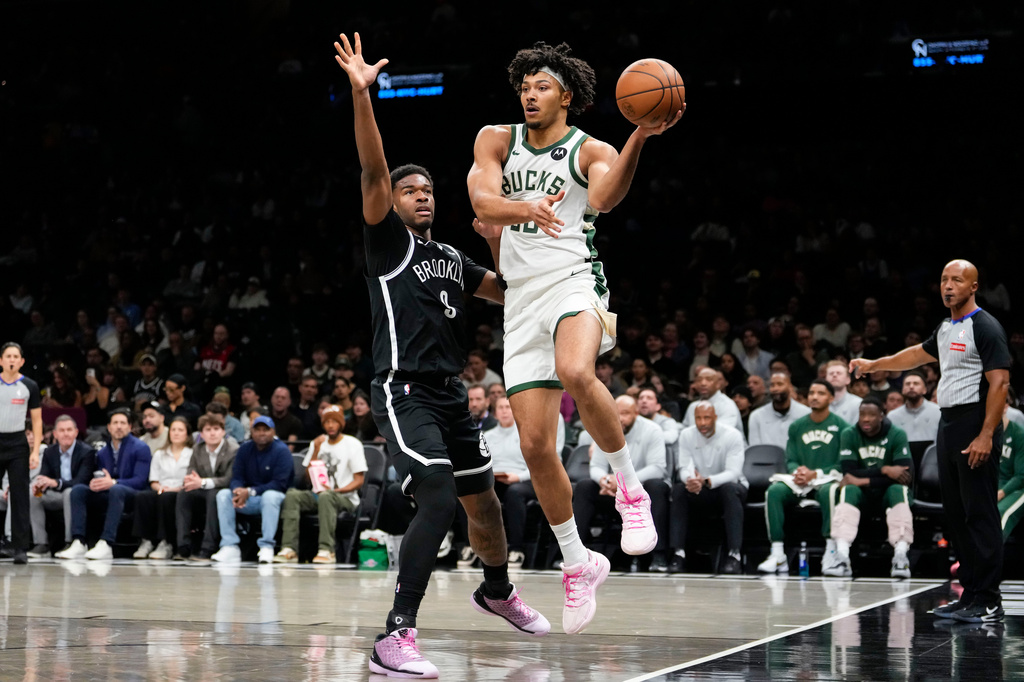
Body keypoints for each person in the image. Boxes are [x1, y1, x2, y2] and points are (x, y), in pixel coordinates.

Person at [334, 33, 548, 678]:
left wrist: (523, 245)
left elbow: (510, 292)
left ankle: (496, 590)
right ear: (393, 204)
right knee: (435, 495)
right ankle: (396, 634)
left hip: (453, 394)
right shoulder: (388, 246)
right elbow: (374, 169)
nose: (422, 193)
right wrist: (362, 95)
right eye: (411, 190)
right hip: (404, 392)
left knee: (483, 502)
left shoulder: (451, 258)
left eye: (428, 188)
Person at [466, 39, 681, 634]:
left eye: (540, 86)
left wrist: (640, 134)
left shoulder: (591, 147)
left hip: (572, 281)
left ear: (565, 94)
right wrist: (522, 207)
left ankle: (631, 491)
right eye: (523, 87)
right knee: (536, 448)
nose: (529, 95)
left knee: (578, 372)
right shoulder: (495, 138)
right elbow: (482, 197)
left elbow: (606, 198)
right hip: (520, 299)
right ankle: (578, 561)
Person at [850, 260, 1010, 622]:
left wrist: (986, 434)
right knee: (956, 515)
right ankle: (969, 594)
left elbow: (1000, 383)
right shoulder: (944, 327)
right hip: (949, 422)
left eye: (957, 280)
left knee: (980, 514)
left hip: (975, 422)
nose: (948, 286)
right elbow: (914, 356)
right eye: (943, 279)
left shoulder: (985, 326)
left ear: (973, 286)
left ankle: (989, 599)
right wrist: (875, 365)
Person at [758, 379, 849, 574]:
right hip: (801, 480)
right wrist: (797, 471)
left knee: (830, 491)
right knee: (774, 491)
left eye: (821, 393)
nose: (814, 397)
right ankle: (778, 554)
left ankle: (831, 551)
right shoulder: (797, 426)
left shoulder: (842, 426)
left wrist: (815, 473)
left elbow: (842, 463)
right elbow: (790, 458)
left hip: (826, 478)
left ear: (831, 398)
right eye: (811, 393)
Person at [573, 396, 670, 571]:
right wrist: (604, 480)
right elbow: (596, 466)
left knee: (657, 486)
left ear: (636, 413)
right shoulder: (605, 427)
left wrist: (623, 483)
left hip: (640, 494)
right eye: (616, 413)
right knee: (585, 486)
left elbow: (657, 468)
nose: (620, 418)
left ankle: (659, 556)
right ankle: (575, 554)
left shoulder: (652, 430)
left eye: (625, 413)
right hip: (612, 492)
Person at [821, 397, 914, 579]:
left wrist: (863, 480)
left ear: (881, 416)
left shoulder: (897, 434)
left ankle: (901, 557)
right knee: (848, 489)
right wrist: (885, 470)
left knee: (899, 490)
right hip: (861, 496)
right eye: (862, 414)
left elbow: (904, 477)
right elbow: (849, 473)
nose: (865, 419)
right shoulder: (849, 434)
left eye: (871, 415)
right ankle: (841, 557)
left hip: (887, 493)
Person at [275, 405, 367, 564]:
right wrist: (316, 449)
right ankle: (289, 549)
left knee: (327, 496)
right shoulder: (316, 443)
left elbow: (359, 480)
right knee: (292, 495)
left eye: (334, 422)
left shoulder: (353, 444)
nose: (330, 425)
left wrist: (337, 490)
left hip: (345, 497)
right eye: (327, 422)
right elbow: (307, 478)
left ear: (341, 424)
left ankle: (327, 550)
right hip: (318, 495)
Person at [57, 407, 152, 560]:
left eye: (123, 423)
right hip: (110, 493)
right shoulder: (102, 452)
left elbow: (140, 480)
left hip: (133, 495)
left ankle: (106, 543)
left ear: (129, 427)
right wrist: (96, 484)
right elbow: (101, 476)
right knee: (78, 490)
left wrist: (114, 482)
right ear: (109, 427)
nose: (119, 426)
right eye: (115, 423)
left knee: (117, 489)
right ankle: (79, 541)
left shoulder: (141, 448)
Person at [669, 402, 747, 573]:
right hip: (700, 488)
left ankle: (735, 556)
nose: (702, 423)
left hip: (731, 487)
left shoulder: (732, 435)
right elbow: (683, 467)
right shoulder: (686, 435)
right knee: (679, 490)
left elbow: (733, 473)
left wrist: (706, 480)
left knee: (729, 489)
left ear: (715, 418)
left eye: (707, 418)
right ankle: (678, 554)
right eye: (698, 418)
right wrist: (690, 480)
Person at [211, 415, 292, 564]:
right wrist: (237, 490)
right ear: (252, 432)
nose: (261, 433)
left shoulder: (282, 451)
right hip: (247, 498)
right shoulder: (244, 449)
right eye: (258, 430)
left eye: (265, 430)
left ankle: (267, 546)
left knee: (270, 496)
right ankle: (230, 546)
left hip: (272, 500)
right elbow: (236, 476)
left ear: (273, 431)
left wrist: (249, 491)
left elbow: (279, 484)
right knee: (223, 495)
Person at [0, 342, 43, 564]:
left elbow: (37, 421)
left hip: (17, 443)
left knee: (19, 495)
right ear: (1, 360)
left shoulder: (30, 386)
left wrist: (35, 450)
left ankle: (20, 547)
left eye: (16, 356)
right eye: (8, 356)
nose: (12, 360)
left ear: (22, 361)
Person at [29, 415, 95, 558]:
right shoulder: (49, 452)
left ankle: (70, 542)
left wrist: (57, 483)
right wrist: (38, 485)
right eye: (62, 430)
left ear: (76, 432)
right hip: (54, 495)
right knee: (34, 494)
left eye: (69, 430)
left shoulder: (86, 452)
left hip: (78, 495)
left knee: (70, 492)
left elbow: (81, 481)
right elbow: (44, 476)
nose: (66, 434)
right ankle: (41, 544)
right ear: (55, 434)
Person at [177, 413, 238, 562]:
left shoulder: (233, 450)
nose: (212, 433)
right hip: (202, 488)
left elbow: (229, 479)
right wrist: (191, 480)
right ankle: (183, 546)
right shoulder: (198, 449)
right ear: (202, 434)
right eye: (208, 429)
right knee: (183, 494)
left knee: (214, 496)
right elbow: (191, 472)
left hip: (223, 489)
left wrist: (203, 482)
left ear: (223, 432)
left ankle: (208, 547)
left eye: (216, 429)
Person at [132, 416, 193, 560]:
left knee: (166, 498)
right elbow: (153, 480)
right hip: (162, 489)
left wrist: (174, 489)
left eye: (180, 430)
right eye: (173, 430)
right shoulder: (160, 454)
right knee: (143, 496)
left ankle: (166, 543)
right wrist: (160, 488)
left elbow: (191, 479)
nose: (176, 433)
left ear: (187, 434)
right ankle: (145, 541)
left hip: (182, 491)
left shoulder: (192, 454)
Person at [748, 372, 811, 449]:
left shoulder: (806, 414)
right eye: (772, 385)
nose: (775, 389)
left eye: (780, 384)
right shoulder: (757, 416)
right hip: (767, 459)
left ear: (790, 387)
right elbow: (755, 449)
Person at [886, 370, 940, 443]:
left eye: (916, 384)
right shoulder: (892, 416)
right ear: (902, 390)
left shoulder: (938, 412)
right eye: (907, 384)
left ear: (925, 390)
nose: (911, 387)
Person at [683, 367, 743, 432]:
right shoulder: (693, 406)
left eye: (708, 379)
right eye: (699, 380)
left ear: (717, 384)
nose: (703, 383)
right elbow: (685, 430)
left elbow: (724, 432)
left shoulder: (727, 405)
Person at [998, 403, 1024, 540]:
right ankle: (966, 558)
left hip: (1018, 488)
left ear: (1005, 407)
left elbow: (1021, 476)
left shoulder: (1019, 434)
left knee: (1001, 512)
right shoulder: (984, 434)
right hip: (994, 486)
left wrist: (1002, 493)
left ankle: (989, 559)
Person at [826, 360, 863, 425]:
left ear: (848, 379)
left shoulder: (858, 404)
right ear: (825, 379)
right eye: (831, 373)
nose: (834, 375)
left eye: (839, 373)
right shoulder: (820, 404)